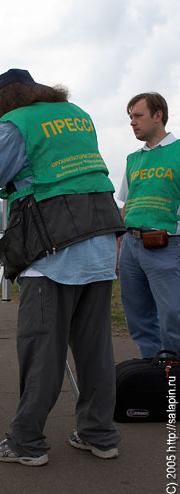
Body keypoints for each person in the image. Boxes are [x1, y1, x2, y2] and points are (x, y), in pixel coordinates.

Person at [0, 68, 125, 466]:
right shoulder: (76, 114)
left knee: (41, 351)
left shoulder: (16, 123)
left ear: (0, 99)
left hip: (52, 251)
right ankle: (100, 434)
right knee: (95, 350)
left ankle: (26, 441)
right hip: (100, 241)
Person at [117, 92, 180, 359]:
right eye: (130, 117)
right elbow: (126, 205)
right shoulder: (133, 159)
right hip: (131, 245)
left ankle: (173, 377)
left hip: (166, 244)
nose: (132, 122)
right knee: (139, 318)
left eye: (138, 116)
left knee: (173, 314)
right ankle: (153, 374)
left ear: (158, 115)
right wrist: (118, 249)